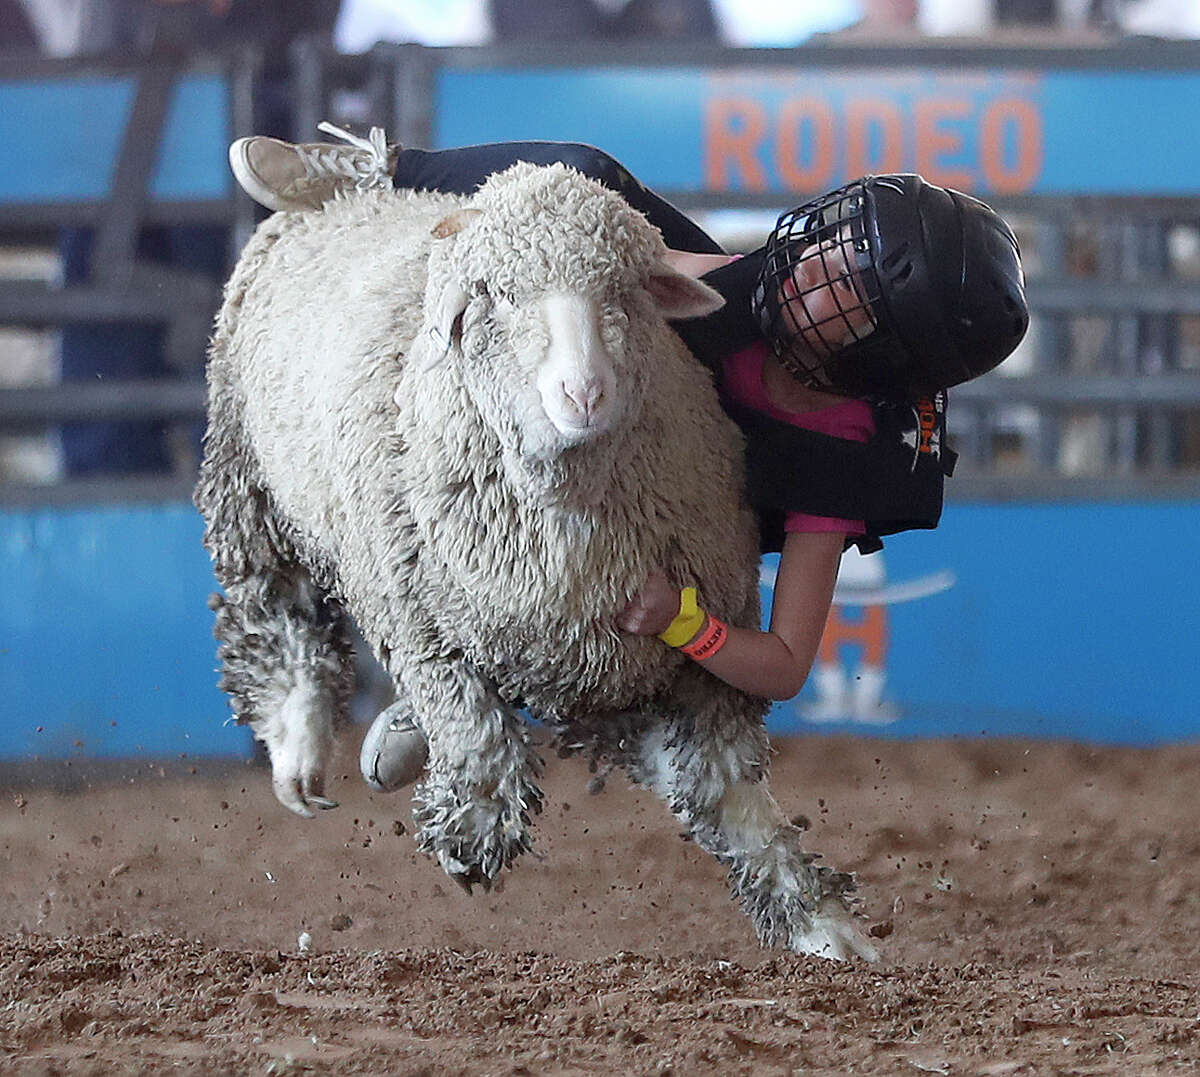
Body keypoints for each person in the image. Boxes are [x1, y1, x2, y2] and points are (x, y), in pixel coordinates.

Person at [228, 130, 1028, 792]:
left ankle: (481, 689)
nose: (812, 266)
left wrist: (686, 620)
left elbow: (784, 665)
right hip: (604, 453)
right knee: (584, 175)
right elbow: (582, 261)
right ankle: (374, 170)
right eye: (834, 239)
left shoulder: (840, 461)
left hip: (678, 536)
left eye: (843, 290)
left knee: (604, 594)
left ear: (878, 354)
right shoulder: (748, 285)